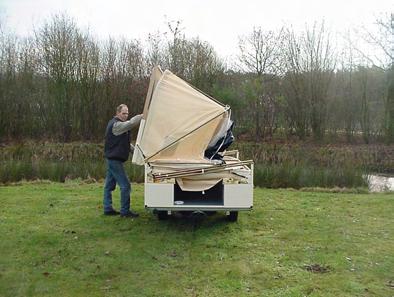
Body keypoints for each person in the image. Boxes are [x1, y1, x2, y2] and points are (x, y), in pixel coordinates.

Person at [103, 104, 142, 218]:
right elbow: (130, 124)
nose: (126, 115)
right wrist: (141, 116)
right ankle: (125, 212)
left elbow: (125, 143)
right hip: (114, 160)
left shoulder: (120, 127)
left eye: (127, 113)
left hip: (113, 159)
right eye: (123, 113)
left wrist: (136, 152)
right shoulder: (116, 125)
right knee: (125, 185)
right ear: (118, 113)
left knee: (109, 186)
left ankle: (107, 208)